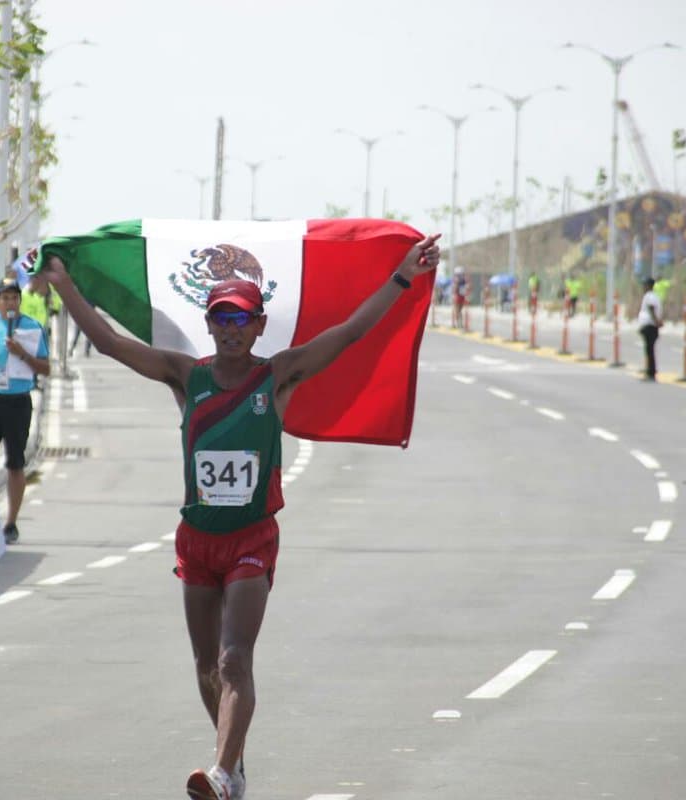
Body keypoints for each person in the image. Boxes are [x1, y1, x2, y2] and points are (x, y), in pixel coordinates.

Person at [41, 232, 440, 800]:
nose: (231, 330)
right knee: (206, 666)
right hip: (196, 542)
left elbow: (350, 333)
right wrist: (63, 286)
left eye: (242, 320)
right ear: (209, 324)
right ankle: (234, 761)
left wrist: (402, 275)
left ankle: (223, 774)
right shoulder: (186, 375)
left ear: (259, 326)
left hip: (252, 539)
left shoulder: (275, 376)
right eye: (222, 319)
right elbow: (107, 342)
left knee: (234, 659)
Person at [0, 278, 51, 545]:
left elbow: (46, 368)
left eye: (14, 297)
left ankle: (11, 522)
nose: (10, 302)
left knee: (15, 463)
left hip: (17, 401)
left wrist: (22, 353)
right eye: (5, 298)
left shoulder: (31, 327)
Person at [638, 277, 663, 382]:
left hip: (650, 326)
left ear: (648, 286)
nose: (643, 287)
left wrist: (657, 321)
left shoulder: (650, 296)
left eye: (644, 285)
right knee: (649, 350)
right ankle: (649, 371)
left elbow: (652, 308)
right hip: (650, 325)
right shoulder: (653, 296)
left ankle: (650, 372)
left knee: (649, 350)